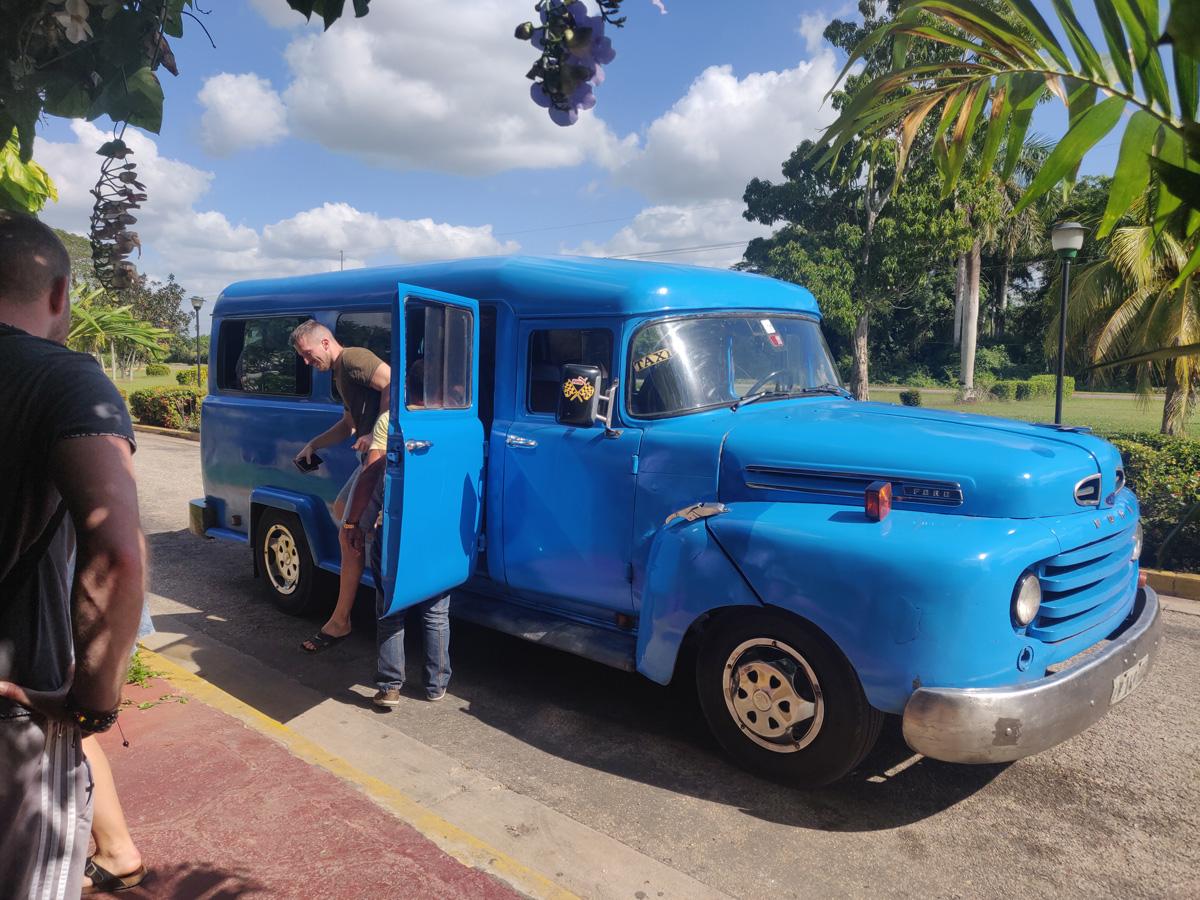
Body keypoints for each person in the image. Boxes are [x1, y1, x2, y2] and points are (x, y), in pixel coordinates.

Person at [0, 211, 147, 897]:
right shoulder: (64, 380)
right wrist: (92, 705)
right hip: (15, 708)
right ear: (59, 294)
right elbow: (115, 552)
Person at [344, 363, 451, 707]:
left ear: (406, 388)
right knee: (436, 613)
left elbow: (373, 474)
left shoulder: (390, 421)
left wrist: (355, 523)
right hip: (438, 529)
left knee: (391, 609)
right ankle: (435, 685)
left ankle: (391, 685)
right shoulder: (458, 422)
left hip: (397, 530)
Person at [290, 320, 391, 653]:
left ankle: (340, 620)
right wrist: (314, 445)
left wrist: (378, 430)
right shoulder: (339, 373)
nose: (307, 362)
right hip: (369, 460)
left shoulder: (353, 359)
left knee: (348, 536)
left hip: (380, 459)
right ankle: (369, 542)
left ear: (324, 343)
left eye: (307, 354)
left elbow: (393, 383)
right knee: (340, 510)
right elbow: (349, 425)